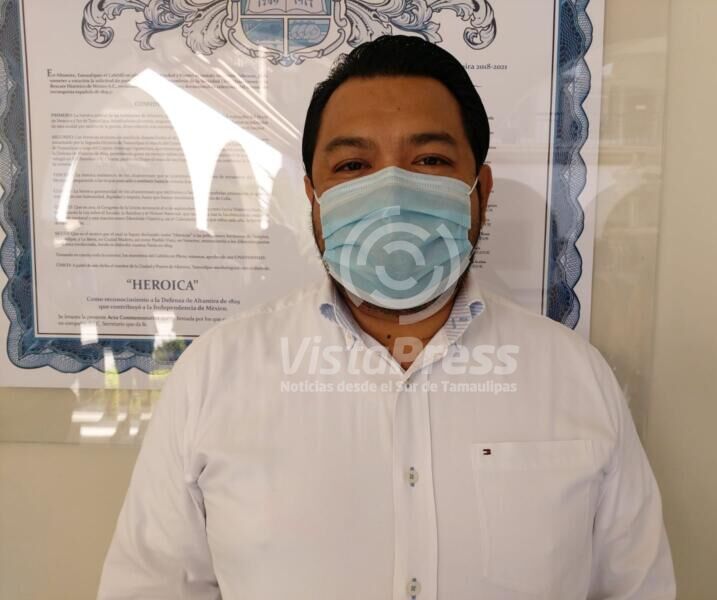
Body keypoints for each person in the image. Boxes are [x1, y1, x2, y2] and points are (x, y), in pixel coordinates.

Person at [98, 35, 676, 599]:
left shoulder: (577, 377)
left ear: (480, 190)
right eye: (353, 164)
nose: (393, 191)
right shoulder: (212, 376)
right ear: (314, 198)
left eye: (430, 160)